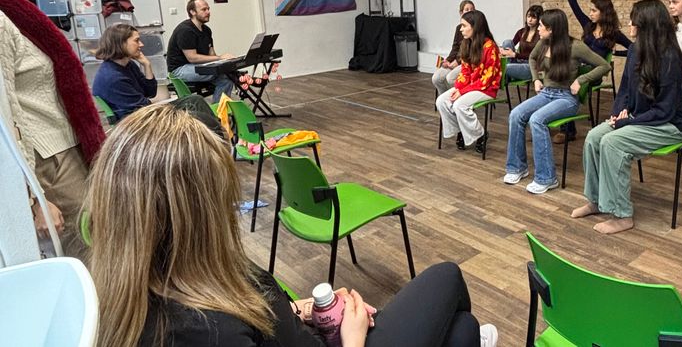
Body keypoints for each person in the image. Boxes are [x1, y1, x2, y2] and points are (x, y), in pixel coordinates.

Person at [84, 104, 498, 346]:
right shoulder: (212, 334)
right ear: (199, 210)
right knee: (447, 278)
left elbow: (256, 315)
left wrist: (296, 310)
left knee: (463, 332)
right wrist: (352, 339)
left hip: (296, 329)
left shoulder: (137, 287)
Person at [0, 0, 105, 257]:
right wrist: (33, 197)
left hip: (63, 151)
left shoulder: (15, 11)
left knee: (99, 245)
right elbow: (6, 113)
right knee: (90, 254)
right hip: (49, 163)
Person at [571, 0, 682, 235]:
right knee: (594, 137)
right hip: (640, 117)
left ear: (646, 24)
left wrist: (628, 121)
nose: (629, 24)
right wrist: (619, 113)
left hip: (667, 124)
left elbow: (664, 111)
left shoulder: (670, 57)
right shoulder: (635, 50)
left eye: (633, 19)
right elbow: (624, 90)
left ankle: (622, 214)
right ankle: (596, 201)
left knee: (613, 142)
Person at [503, 9, 610, 194]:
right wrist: (536, 78)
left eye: (542, 27)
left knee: (536, 120)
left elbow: (604, 65)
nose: (538, 30)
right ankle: (517, 167)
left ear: (552, 29)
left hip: (567, 98)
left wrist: (581, 80)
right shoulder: (544, 43)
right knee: (516, 115)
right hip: (546, 93)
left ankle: (546, 178)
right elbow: (531, 58)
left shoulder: (576, 46)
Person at [555, 0, 631, 143]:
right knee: (561, 78)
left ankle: (567, 130)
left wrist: (616, 53)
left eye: (594, 10)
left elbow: (633, 48)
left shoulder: (613, 33)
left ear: (604, 13)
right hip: (580, 68)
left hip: (595, 72)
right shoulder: (588, 26)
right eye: (590, 10)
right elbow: (574, 5)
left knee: (568, 84)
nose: (590, 13)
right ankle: (567, 125)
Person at [436, 10, 501, 154]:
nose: (461, 29)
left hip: (486, 88)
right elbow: (464, 72)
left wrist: (462, 92)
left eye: (464, 26)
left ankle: (480, 134)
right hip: (471, 87)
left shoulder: (490, 47)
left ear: (475, 26)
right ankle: (462, 130)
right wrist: (458, 89)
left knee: (460, 105)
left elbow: (486, 80)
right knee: (441, 101)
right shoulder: (466, 44)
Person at [166, 0, 234, 101]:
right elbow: (192, 58)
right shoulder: (185, 30)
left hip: (196, 66)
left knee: (226, 79)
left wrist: (224, 62)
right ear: (192, 12)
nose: (208, 12)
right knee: (218, 72)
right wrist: (220, 58)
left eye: (208, 9)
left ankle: (220, 113)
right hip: (179, 69)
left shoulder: (206, 30)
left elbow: (211, 54)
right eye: (204, 9)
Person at [92, 23, 158, 120]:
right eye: (137, 41)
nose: (141, 44)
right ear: (121, 43)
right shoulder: (114, 78)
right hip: (133, 123)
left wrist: (147, 65)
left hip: (138, 116)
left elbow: (151, 92)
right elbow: (145, 108)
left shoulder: (127, 65)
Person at [432, 0, 475, 94]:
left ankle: (456, 100)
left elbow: (470, 50)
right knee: (436, 78)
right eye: (467, 9)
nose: (470, 11)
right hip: (456, 60)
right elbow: (455, 48)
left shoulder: (476, 28)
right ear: (461, 13)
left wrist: (458, 61)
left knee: (450, 78)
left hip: (467, 61)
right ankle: (446, 102)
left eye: (472, 9)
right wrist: (448, 60)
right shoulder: (458, 28)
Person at [500, 4, 543, 82]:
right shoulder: (522, 31)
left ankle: (506, 75)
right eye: (528, 16)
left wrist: (515, 55)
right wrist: (501, 51)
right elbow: (510, 47)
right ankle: (507, 74)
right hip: (518, 62)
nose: (530, 20)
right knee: (507, 42)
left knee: (506, 67)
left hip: (531, 66)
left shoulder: (541, 33)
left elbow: (537, 56)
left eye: (533, 17)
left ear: (539, 19)